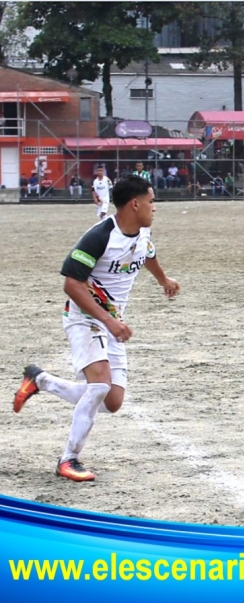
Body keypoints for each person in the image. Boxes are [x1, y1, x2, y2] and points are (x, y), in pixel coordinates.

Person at [12, 175, 180, 481]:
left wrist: (163, 280)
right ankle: (68, 459)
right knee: (100, 385)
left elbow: (147, 254)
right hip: (85, 317)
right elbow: (72, 284)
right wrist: (109, 320)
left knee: (112, 401)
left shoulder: (143, 231)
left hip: (110, 322)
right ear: (135, 203)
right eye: (152, 201)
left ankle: (40, 380)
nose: (154, 207)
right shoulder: (99, 236)